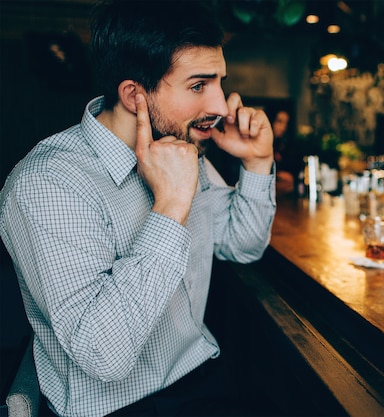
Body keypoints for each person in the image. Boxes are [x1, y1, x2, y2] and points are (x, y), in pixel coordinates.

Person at [0, 1, 276, 416]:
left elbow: (242, 246)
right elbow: (103, 356)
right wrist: (170, 207)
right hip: (117, 405)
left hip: (201, 373)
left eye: (220, 82)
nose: (221, 106)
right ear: (134, 95)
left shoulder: (184, 150)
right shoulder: (47, 184)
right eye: (199, 86)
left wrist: (256, 163)